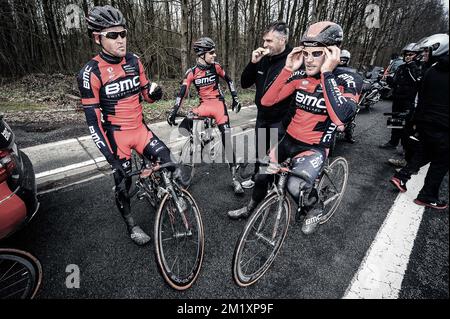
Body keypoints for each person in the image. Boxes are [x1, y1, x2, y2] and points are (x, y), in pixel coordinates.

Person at [228, 21, 362, 235]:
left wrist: (327, 73)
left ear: (332, 53)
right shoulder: (301, 76)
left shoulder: (348, 78)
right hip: (287, 140)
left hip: (313, 147)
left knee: (293, 186)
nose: (308, 60)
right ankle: (252, 207)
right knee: (261, 173)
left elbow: (341, 117)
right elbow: (266, 101)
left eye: (316, 54)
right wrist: (288, 69)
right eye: (306, 53)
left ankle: (315, 206)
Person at [77, 5, 178, 245]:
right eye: (113, 35)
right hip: (116, 136)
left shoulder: (134, 61)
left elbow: (146, 94)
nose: (121, 40)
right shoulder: (90, 72)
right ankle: (132, 225)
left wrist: (156, 93)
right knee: (123, 184)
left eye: (123, 33)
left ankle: (161, 188)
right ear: (97, 38)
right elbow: (93, 123)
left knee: (170, 161)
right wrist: (112, 160)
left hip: (140, 130)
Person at [167, 37, 244, 194]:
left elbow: (229, 81)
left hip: (218, 105)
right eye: (211, 52)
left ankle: (235, 179)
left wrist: (235, 98)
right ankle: (199, 140)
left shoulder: (216, 67)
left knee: (226, 139)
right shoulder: (192, 72)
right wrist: (174, 111)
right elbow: (181, 93)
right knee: (185, 122)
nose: (214, 55)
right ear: (202, 55)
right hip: (203, 106)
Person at [390, 33, 449, 210]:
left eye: (426, 51)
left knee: (426, 152)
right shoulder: (426, 69)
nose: (423, 54)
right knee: (442, 161)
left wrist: (416, 121)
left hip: (425, 121)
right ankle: (427, 195)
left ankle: (402, 176)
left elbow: (420, 97)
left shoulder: (430, 70)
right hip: (444, 125)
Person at [240, 21, 293, 189]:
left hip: (281, 118)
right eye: (264, 40)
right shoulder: (262, 58)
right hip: (262, 116)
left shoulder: (293, 60)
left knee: (276, 156)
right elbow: (244, 83)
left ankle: (274, 185)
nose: (264, 45)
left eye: (269, 41)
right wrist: (253, 62)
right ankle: (257, 178)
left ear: (283, 39)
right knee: (260, 151)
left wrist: (287, 120)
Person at [380, 42, 422, 154]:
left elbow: (417, 83)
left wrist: (411, 68)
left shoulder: (418, 68)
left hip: (408, 101)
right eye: (407, 54)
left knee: (406, 126)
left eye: (411, 54)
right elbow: (395, 83)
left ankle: (405, 149)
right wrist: (388, 79)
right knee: (394, 121)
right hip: (397, 98)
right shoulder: (401, 67)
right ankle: (393, 142)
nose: (408, 56)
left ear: (417, 55)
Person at [338, 49, 361, 143]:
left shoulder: (352, 71)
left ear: (348, 60)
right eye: (340, 59)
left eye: (344, 59)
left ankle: (349, 134)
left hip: (346, 93)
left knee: (352, 111)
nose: (342, 61)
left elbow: (358, 79)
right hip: (334, 92)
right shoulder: (331, 68)